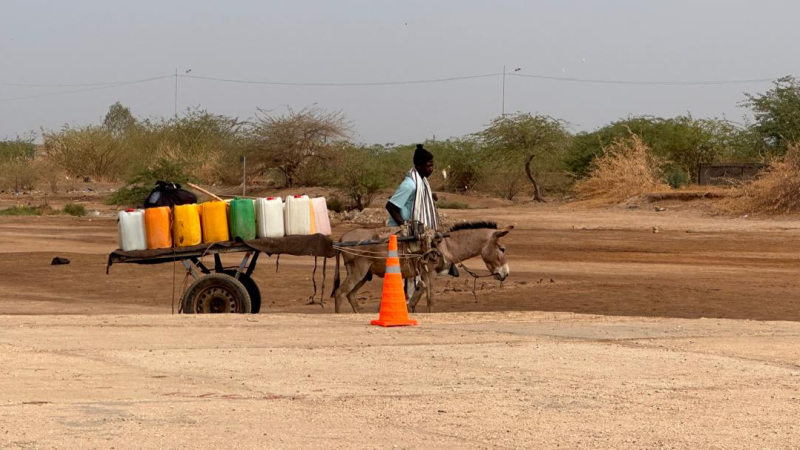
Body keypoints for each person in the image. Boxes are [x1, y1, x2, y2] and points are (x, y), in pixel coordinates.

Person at [386, 144, 438, 229]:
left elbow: (415, 196)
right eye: (428, 166)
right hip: (398, 230)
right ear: (418, 165)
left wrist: (429, 196)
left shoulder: (421, 182)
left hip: (413, 228)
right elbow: (390, 206)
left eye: (432, 166)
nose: (431, 169)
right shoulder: (409, 185)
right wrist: (404, 227)